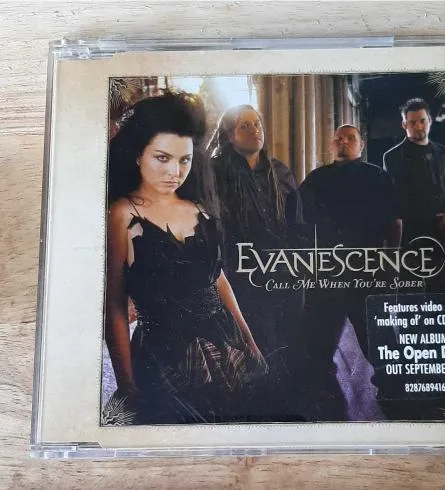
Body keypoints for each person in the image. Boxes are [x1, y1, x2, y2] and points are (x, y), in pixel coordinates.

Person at [104, 93, 267, 425]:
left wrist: (250, 341)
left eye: (184, 160)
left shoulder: (199, 209)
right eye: (162, 158)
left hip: (225, 345)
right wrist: (127, 383)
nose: (174, 172)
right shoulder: (121, 214)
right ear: (138, 155)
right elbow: (115, 305)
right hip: (162, 355)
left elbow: (219, 280)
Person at [207, 105, 305, 421]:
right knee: (252, 344)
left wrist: (299, 268)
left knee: (285, 342)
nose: (255, 130)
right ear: (229, 135)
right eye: (245, 125)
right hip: (240, 274)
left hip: (281, 272)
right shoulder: (216, 172)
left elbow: (296, 225)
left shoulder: (280, 171)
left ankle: (282, 412)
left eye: (257, 123)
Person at [299, 124, 402, 421]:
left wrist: (391, 261)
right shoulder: (316, 179)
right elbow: (298, 223)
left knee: (378, 337)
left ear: (361, 145)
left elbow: (394, 222)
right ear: (332, 145)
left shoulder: (377, 177)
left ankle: (395, 391)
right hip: (328, 273)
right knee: (318, 341)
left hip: (367, 270)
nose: (344, 142)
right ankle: (325, 398)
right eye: (339, 139)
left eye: (350, 138)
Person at [383, 98, 445, 292]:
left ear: (430, 121)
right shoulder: (393, 157)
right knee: (412, 292)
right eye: (412, 122)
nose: (418, 126)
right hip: (411, 236)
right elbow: (394, 198)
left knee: (441, 289)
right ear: (404, 125)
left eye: (422, 121)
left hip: (442, 234)